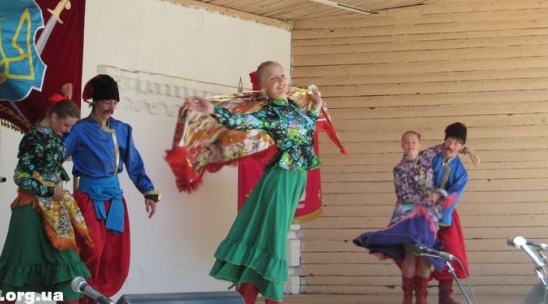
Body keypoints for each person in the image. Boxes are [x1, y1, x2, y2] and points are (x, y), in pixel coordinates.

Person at [187, 61, 322, 304]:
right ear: (264, 87)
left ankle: (248, 292)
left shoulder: (294, 108)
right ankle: (270, 298)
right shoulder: (269, 113)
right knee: (275, 239)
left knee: (268, 237)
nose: (280, 81)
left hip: (296, 178)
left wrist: (316, 106)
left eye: (282, 75)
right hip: (281, 179)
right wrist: (213, 110)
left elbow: (307, 129)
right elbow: (239, 123)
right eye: (273, 78)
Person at [63, 74, 161, 302]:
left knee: (113, 256)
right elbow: (57, 155)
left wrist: (148, 192)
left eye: (115, 102)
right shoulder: (79, 129)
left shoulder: (123, 129)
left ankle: (100, 299)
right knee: (92, 251)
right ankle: (80, 298)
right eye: (107, 101)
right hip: (88, 198)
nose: (111, 107)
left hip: (115, 199)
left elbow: (133, 163)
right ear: (95, 101)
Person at [353, 128, 479, 304]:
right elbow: (403, 195)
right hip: (411, 214)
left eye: (414, 142)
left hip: (430, 214)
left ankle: (422, 298)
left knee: (426, 255)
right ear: (402, 145)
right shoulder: (399, 168)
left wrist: (468, 150)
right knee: (411, 255)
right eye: (406, 142)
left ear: (420, 144)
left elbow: (447, 146)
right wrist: (427, 197)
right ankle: (407, 298)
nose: (410, 145)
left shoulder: (426, 157)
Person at [0, 87, 91, 304]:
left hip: (54, 210)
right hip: (30, 210)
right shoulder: (33, 139)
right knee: (19, 264)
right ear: (54, 117)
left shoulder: (54, 133)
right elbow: (20, 176)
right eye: (66, 125)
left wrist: (67, 99)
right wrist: (48, 190)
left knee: (67, 264)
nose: (68, 131)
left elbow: (57, 123)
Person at [430, 122, 474, 304]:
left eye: (457, 143)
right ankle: (417, 294)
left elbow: (454, 196)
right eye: (450, 140)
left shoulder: (461, 173)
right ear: (444, 140)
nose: (452, 146)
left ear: (461, 146)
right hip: (422, 209)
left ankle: (445, 296)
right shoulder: (430, 158)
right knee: (416, 250)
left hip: (445, 216)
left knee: (450, 250)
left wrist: (442, 217)